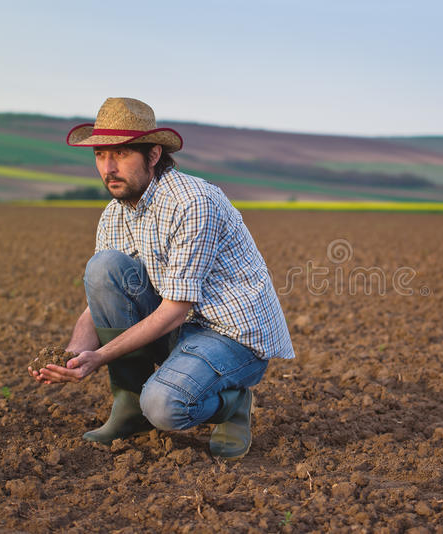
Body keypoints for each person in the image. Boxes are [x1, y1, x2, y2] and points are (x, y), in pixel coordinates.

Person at [28, 97, 294, 459]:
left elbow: (174, 309)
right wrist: (75, 351)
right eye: (100, 156)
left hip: (231, 335)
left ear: (153, 155)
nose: (108, 168)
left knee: (165, 407)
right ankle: (128, 407)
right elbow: (103, 298)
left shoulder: (192, 202)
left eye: (121, 154)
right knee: (103, 267)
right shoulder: (113, 214)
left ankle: (232, 404)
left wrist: (99, 356)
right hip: (180, 326)